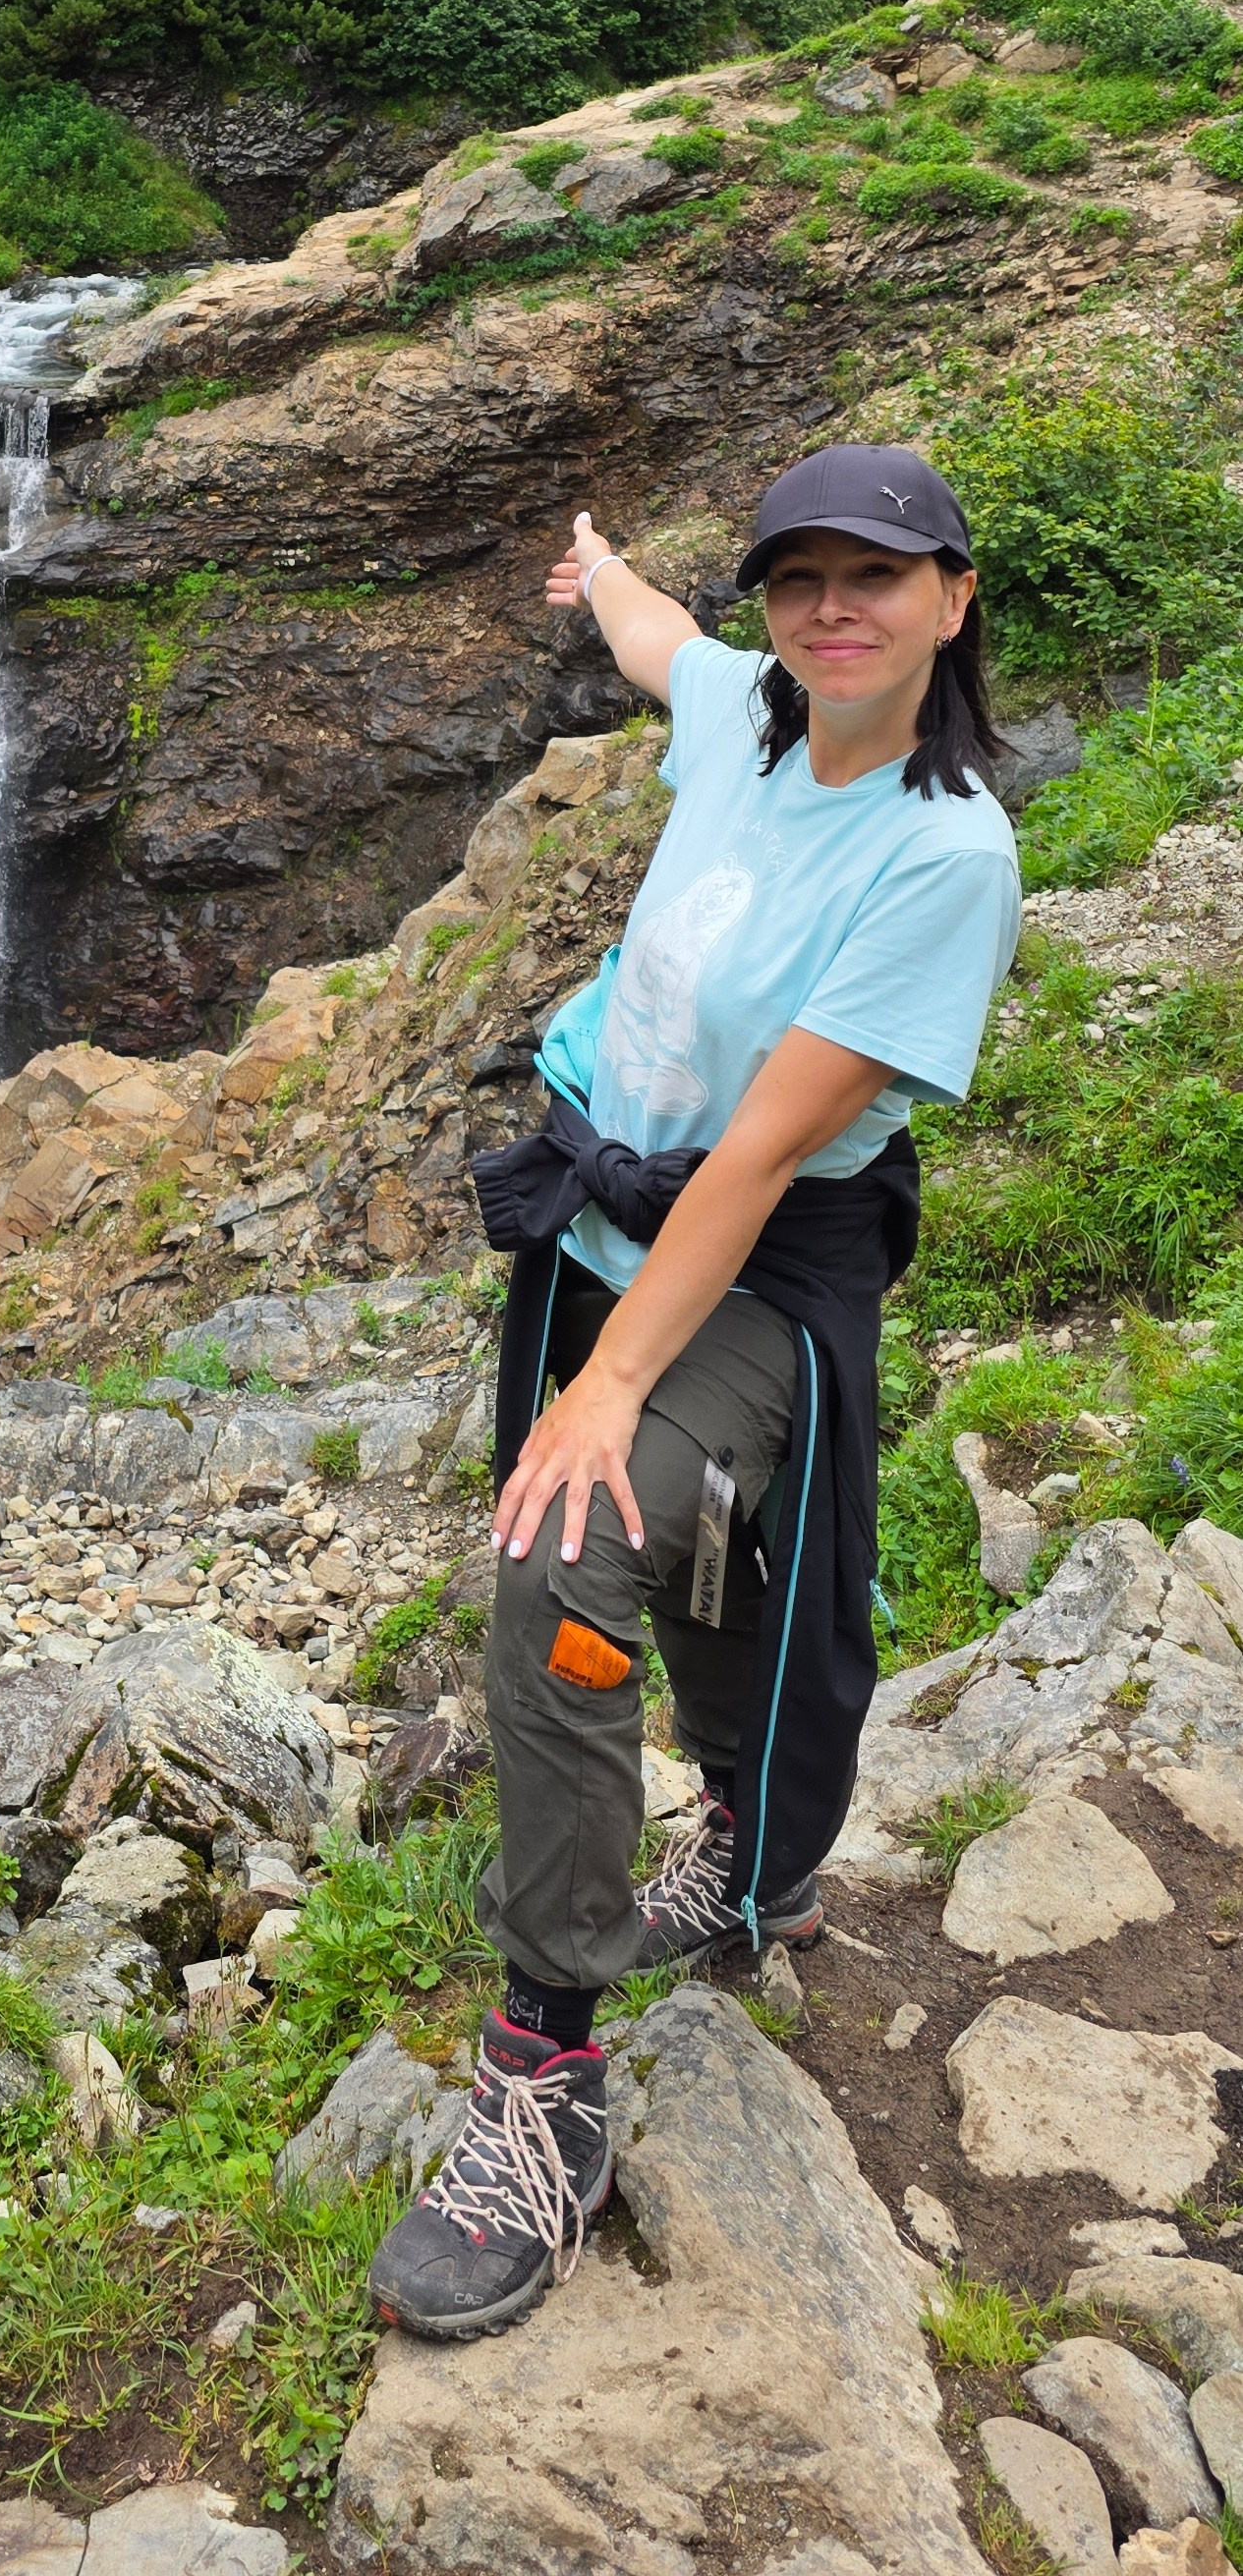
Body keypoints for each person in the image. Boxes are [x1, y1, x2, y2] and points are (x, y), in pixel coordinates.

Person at [367, 443, 1020, 2343]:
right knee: (711, 1540)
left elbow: (757, 1160)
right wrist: (602, 572)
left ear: (952, 599)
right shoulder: (746, 710)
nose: (833, 608)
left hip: (757, 1250)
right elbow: (662, 640)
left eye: (875, 575)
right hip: (607, 1205)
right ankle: (748, 1845)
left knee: (569, 1551)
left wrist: (608, 1382)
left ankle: (543, 2074)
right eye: (799, 577)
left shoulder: (942, 855)